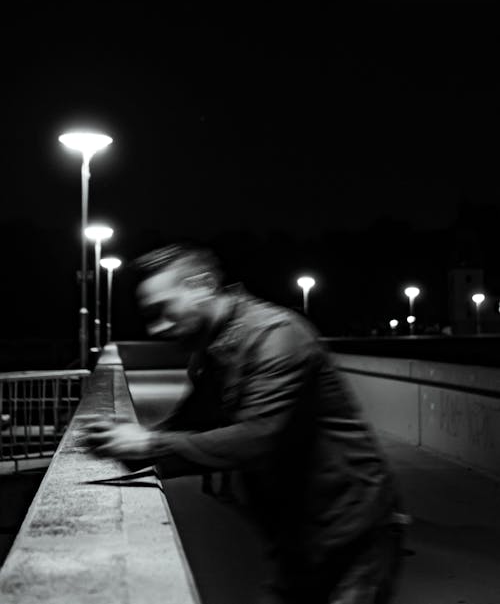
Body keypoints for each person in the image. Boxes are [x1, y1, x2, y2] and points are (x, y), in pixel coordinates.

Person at [84, 243, 404, 604]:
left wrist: (145, 445)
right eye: (149, 315)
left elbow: (257, 436)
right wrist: (124, 443)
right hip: (298, 535)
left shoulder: (276, 334)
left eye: (163, 309)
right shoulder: (214, 348)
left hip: (353, 534)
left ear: (201, 285)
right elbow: (192, 422)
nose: (157, 327)